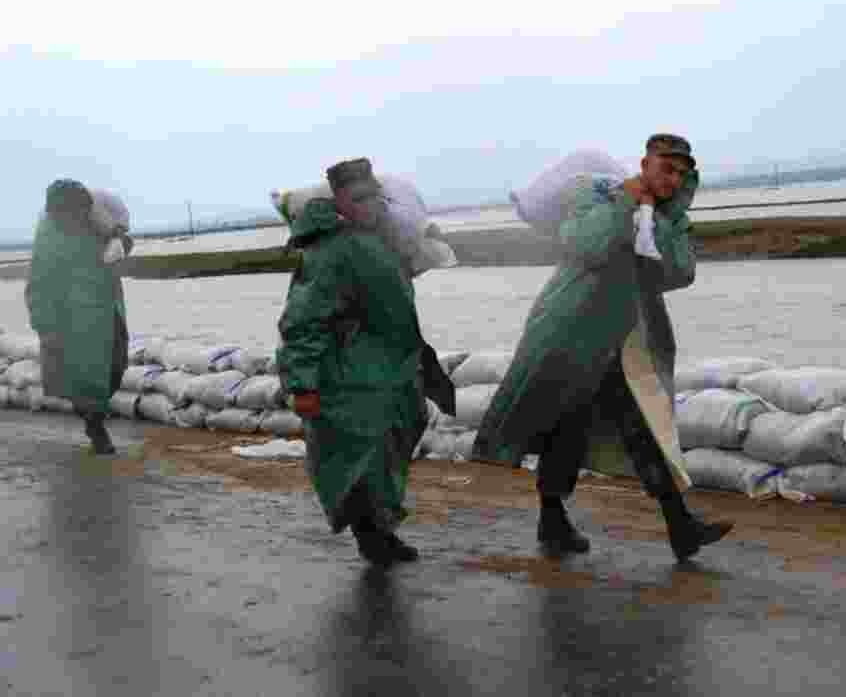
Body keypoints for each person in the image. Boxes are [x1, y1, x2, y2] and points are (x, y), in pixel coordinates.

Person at [473, 134, 734, 562]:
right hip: (570, 332)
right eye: (666, 169)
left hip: (624, 343)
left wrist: (664, 218)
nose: (672, 180)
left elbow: (680, 273)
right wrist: (625, 206)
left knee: (645, 427)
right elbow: (585, 246)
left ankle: (678, 524)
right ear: (644, 164)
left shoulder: (666, 219)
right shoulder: (600, 197)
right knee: (564, 428)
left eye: (681, 175)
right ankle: (555, 517)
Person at [275, 157, 454, 567]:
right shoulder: (331, 251)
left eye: (373, 195)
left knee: (394, 448)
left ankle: (382, 529)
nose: (369, 204)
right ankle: (372, 537)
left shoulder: (380, 238)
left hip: (394, 370)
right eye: (358, 198)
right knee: (363, 460)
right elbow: (303, 322)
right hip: (352, 375)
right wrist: (302, 384)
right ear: (339, 201)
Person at [25, 179, 132, 455]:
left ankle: (93, 410)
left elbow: (124, 237)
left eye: (83, 214)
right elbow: (37, 283)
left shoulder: (99, 213)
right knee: (85, 373)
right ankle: (95, 426)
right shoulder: (48, 236)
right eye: (73, 216)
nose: (80, 219)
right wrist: (45, 326)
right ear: (59, 215)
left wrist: (121, 244)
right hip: (72, 313)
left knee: (118, 364)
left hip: (108, 304)